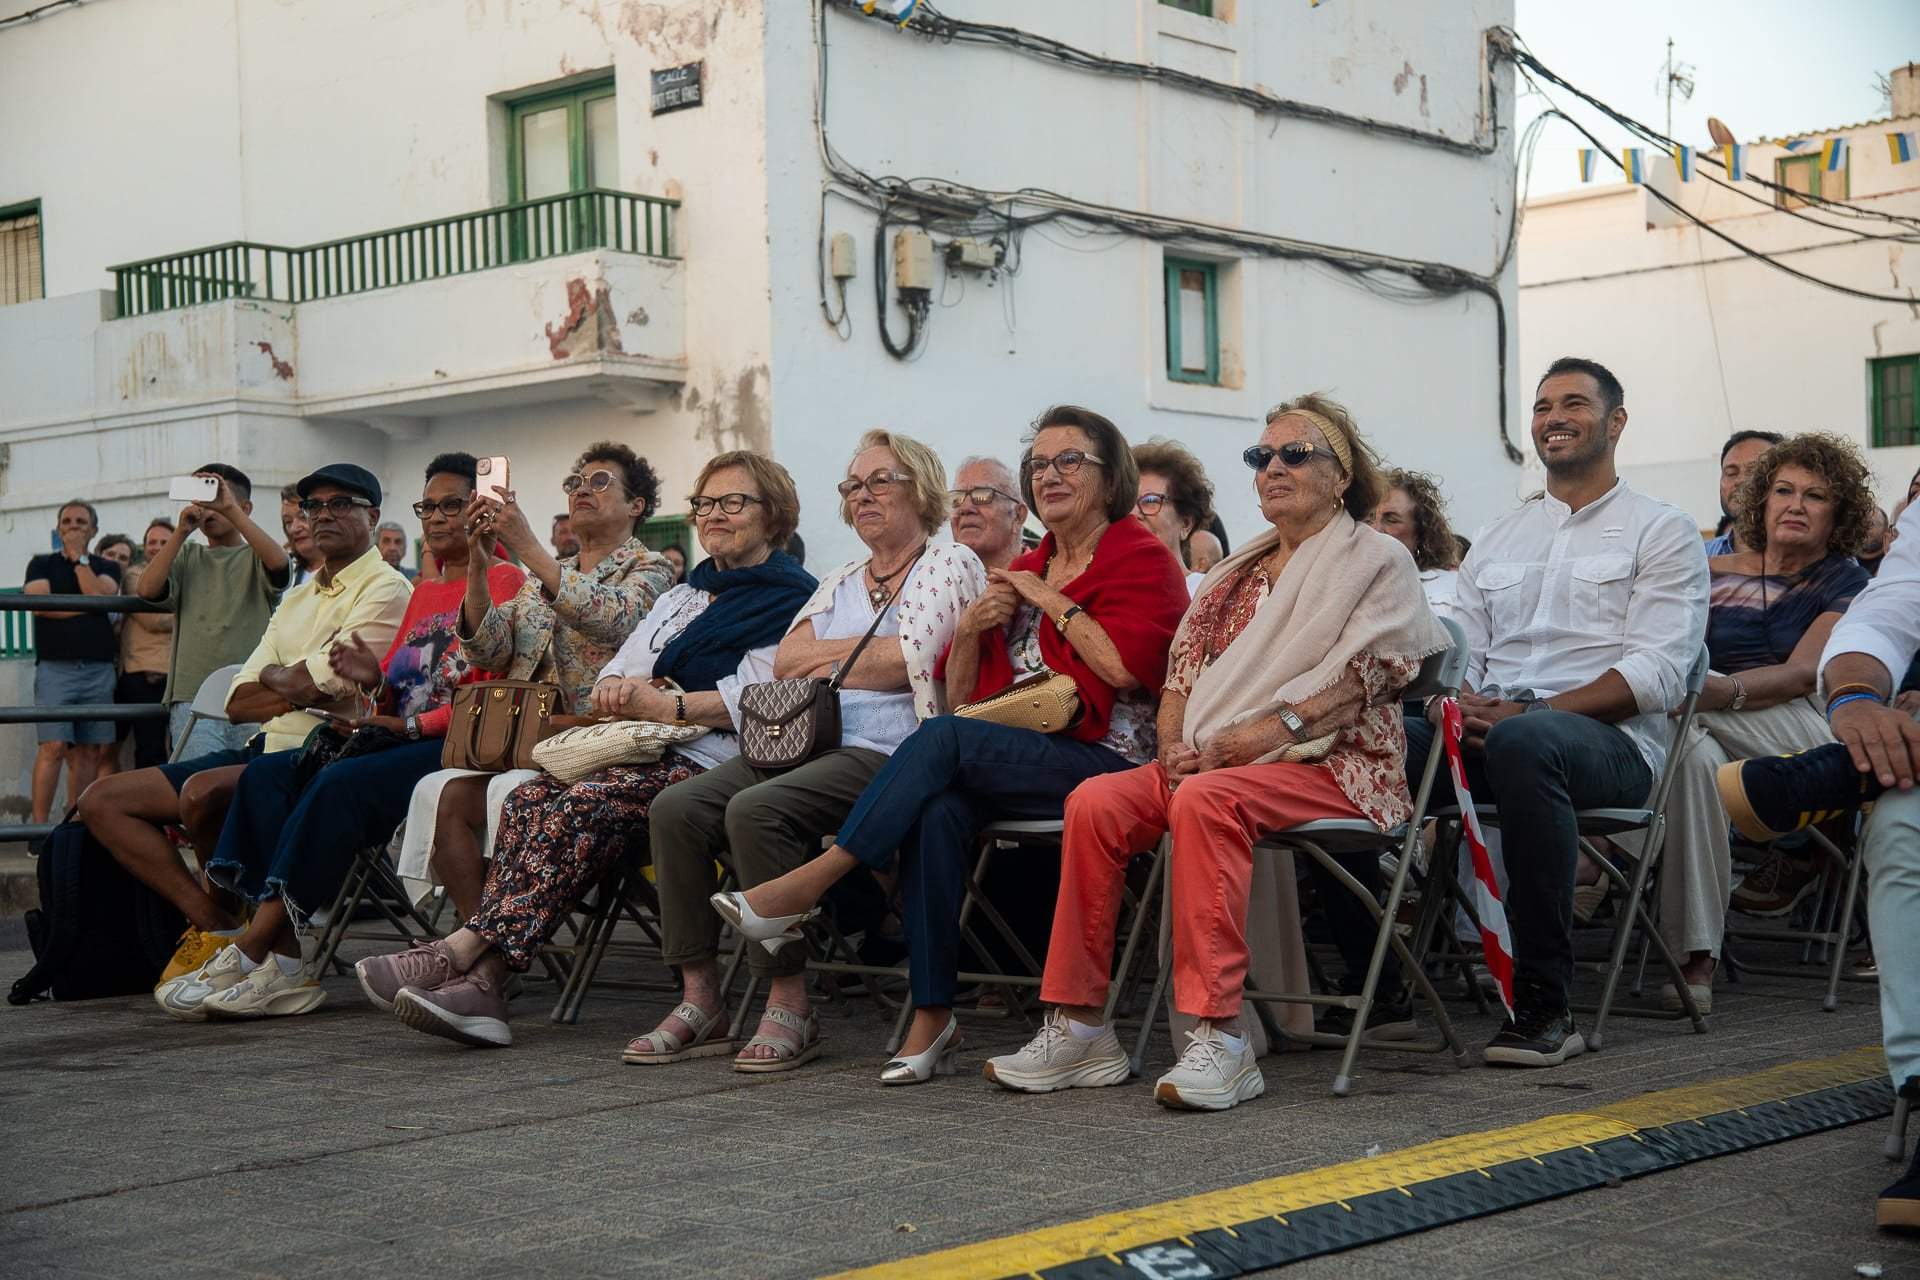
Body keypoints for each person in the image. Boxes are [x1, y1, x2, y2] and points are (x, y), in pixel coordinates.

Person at [985, 395, 1446, 1110]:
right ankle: (1081, 1026)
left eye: (1295, 454)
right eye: (1260, 457)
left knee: (1205, 797)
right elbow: (1180, 677)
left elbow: (1369, 678)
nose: (1273, 468)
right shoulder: (1235, 572)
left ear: (1341, 473)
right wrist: (1171, 747)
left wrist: (1249, 741)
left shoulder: (1376, 559)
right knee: (1097, 800)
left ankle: (1220, 1037)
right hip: (1217, 762)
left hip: (1336, 767)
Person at [723, 407, 1189, 1084]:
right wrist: (970, 630)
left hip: (1109, 761)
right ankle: (934, 1011)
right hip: (1027, 748)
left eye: (1069, 462)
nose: (1049, 475)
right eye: (1039, 464)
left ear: (1110, 475)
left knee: (937, 743)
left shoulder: (1138, 554)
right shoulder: (1032, 563)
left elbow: (1124, 670)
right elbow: (970, 701)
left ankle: (808, 884)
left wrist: (1052, 602)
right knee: (936, 805)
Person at [361, 453, 817, 1048]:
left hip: (711, 757)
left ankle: (464, 953)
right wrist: (479, 561)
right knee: (529, 802)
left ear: (774, 514)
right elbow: (596, 667)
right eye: (705, 503)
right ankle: (484, 985)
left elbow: (751, 693)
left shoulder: (788, 596)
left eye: (733, 503)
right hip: (629, 747)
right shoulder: (687, 598)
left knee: (578, 807)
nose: (714, 515)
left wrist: (662, 698)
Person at [633, 430, 983, 1074]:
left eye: (881, 481)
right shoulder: (842, 577)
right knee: (676, 808)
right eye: (853, 486)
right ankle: (699, 996)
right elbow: (787, 666)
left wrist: (838, 659)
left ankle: (788, 999)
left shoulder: (950, 564)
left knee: (756, 810)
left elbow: (913, 660)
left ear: (923, 490)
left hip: (891, 750)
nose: (862, 495)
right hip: (805, 739)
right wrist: (856, 660)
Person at [1403, 357, 1708, 1068]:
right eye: (1542, 407)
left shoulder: (1661, 531)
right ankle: (1376, 990)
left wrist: (1523, 714)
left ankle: (1546, 1005)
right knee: (1381, 744)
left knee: (1529, 742)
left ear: (1616, 422)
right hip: (1492, 736)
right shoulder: (1500, 537)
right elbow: (1464, 659)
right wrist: (1462, 705)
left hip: (1612, 749)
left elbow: (1657, 671)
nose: (1554, 418)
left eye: (1574, 403)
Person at [153, 456, 522, 1021]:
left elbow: (490, 691)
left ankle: (253, 951)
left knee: (336, 782)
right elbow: (400, 689)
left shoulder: (503, 580)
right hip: (399, 734)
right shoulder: (423, 592)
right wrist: (376, 684)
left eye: (454, 505)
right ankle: (281, 958)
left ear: (481, 510)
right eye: (430, 507)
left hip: (452, 744)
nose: (439, 519)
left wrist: (402, 720)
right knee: (269, 774)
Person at [78, 462, 412, 986]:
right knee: (101, 799)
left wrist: (280, 679)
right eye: (313, 506)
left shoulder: (386, 587)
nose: (323, 515)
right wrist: (289, 680)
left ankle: (258, 942)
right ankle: (219, 926)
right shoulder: (299, 594)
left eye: (340, 504)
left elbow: (309, 687)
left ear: (373, 515)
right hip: (262, 746)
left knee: (201, 794)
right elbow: (237, 699)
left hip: (323, 757)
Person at [1617, 434, 1872, 1011]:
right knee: (1695, 763)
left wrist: (1716, 693)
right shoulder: (1706, 570)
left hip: (1798, 731)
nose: (1796, 505)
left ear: (1840, 512)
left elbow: (1802, 673)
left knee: (1681, 733)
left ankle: (1615, 845)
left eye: (1816, 495)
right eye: (1784, 490)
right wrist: (1694, 700)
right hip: (1699, 724)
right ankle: (1697, 959)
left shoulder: (1846, 580)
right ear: (1759, 499)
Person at [390, 442, 674, 922]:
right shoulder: (549, 572)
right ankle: (478, 933)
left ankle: (492, 945)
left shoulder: (652, 569)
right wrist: (479, 566)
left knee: (513, 788)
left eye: (600, 482)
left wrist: (525, 547)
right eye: (575, 483)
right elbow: (490, 649)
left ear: (637, 505)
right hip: (521, 740)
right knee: (436, 791)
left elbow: (612, 619)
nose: (583, 489)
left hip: (592, 744)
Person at [138, 464, 290, 759]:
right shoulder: (187, 554)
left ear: (244, 507)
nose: (210, 510)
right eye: (204, 501)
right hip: (191, 694)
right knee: (195, 781)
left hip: (251, 691)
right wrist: (181, 531)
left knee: (246, 777)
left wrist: (231, 510)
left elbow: (280, 565)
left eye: (219, 501)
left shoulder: (255, 555)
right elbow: (146, 589)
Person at [25, 499, 123, 823]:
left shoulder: (107, 567)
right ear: (58, 528)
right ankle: (38, 830)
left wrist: (81, 560)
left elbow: (99, 596)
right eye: (67, 521)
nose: (73, 527)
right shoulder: (40, 564)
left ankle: (72, 825)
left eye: (81, 522)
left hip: (97, 669)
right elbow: (38, 604)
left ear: (93, 530)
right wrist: (88, 607)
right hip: (55, 669)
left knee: (89, 750)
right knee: (53, 746)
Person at [111, 536, 172, 772]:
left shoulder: (181, 573)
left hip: (168, 672)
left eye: (163, 541)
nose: (157, 546)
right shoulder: (136, 575)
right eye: (152, 541)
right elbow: (152, 618)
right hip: (143, 673)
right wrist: (190, 613)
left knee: (167, 746)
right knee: (148, 750)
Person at [1367, 467, 1462, 618]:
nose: (1375, 529)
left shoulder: (1451, 590)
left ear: (1420, 533)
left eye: (1391, 520)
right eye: (1369, 518)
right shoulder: (1339, 585)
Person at [1133, 438, 1216, 595]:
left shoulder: (1206, 593)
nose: (1134, 513)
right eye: (1127, 502)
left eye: (1150, 501)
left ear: (1186, 524)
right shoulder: (1104, 590)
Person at [1705, 430, 1784, 553]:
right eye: (1731, 473)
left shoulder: (1813, 559)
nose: (1741, 480)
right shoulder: (1697, 557)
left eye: (1754, 471)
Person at [948, 455, 1029, 572]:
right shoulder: (938, 582)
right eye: (956, 498)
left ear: (1018, 516)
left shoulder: (1048, 578)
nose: (965, 508)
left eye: (982, 496)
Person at [281, 484, 324, 588]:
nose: (294, 529)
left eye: (303, 517)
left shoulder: (347, 570)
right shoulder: (284, 573)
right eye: (288, 522)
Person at [1862, 506, 1894, 577]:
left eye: (1872, 524)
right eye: (1862, 523)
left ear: (1886, 530)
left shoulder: (1891, 562)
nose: (1865, 527)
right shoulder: (1846, 559)